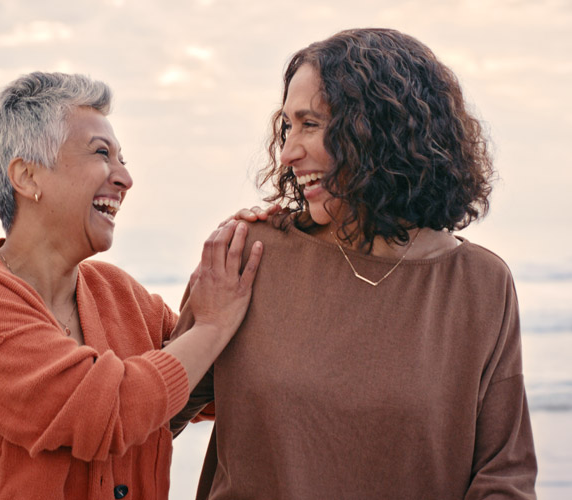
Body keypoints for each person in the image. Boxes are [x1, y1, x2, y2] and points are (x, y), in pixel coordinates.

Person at [172, 28, 538, 498]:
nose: (287, 154)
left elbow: (504, 474)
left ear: (382, 130)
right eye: (287, 126)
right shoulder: (250, 254)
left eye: (311, 125)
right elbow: (155, 415)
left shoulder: (480, 284)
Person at [0, 72, 263, 500]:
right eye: (102, 154)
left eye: (123, 160)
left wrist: (257, 252)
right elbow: (104, 411)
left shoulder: (121, 295)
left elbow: (221, 383)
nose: (125, 179)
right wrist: (210, 326)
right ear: (27, 177)